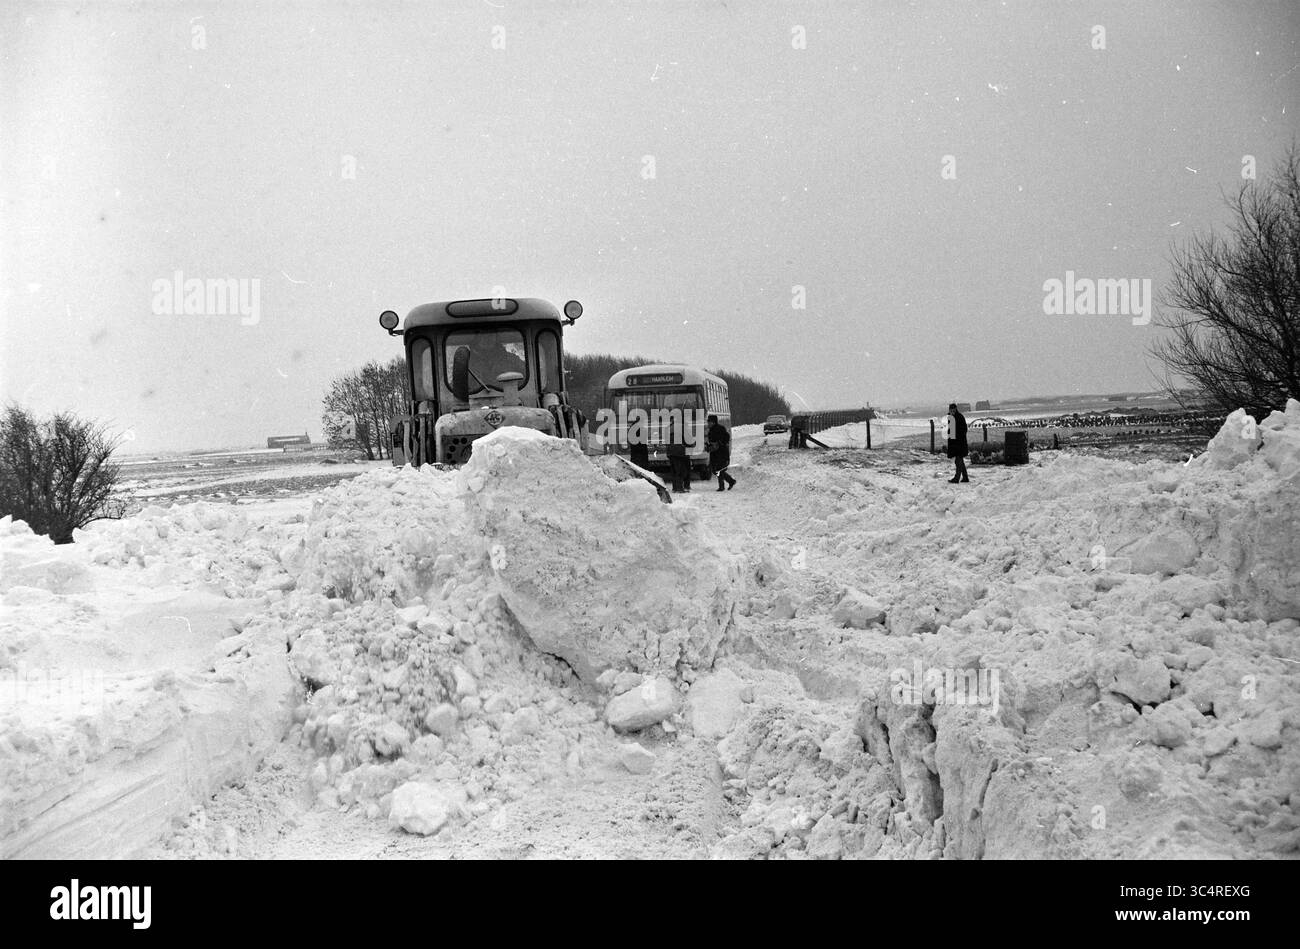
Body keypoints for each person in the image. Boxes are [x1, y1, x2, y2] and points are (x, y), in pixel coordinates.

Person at [706, 414, 736, 491]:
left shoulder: (720, 429)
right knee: (716, 470)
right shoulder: (711, 430)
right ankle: (731, 481)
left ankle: (722, 486)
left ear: (713, 422)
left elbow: (726, 438)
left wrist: (720, 443)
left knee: (719, 469)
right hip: (715, 453)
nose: (708, 424)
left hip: (721, 453)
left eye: (709, 422)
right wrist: (709, 446)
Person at [666, 414, 691, 493]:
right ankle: (680, 488)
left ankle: (675, 487)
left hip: (670, 452)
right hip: (680, 452)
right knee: (681, 470)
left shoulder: (668, 428)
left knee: (674, 470)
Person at [946, 402, 969, 483]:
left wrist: (957, 438)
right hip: (954, 443)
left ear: (955, 409)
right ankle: (965, 477)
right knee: (959, 460)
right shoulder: (951, 417)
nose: (952, 410)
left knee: (958, 460)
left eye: (953, 409)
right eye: (951, 409)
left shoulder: (959, 417)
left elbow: (963, 430)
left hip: (959, 443)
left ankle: (957, 478)